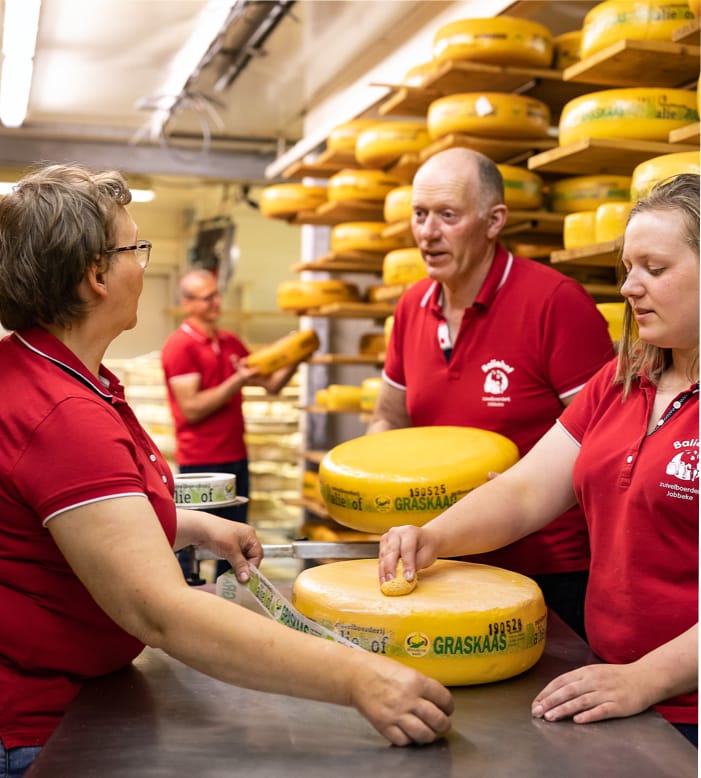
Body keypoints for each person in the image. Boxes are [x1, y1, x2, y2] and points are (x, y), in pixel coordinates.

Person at [0, 163, 453, 776]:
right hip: (38, 730)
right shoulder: (60, 413)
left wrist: (192, 527)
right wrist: (360, 678)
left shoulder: (47, 374)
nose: (142, 260)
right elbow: (163, 612)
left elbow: (78, 523)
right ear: (96, 274)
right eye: (136, 246)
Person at [379, 173, 699, 745]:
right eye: (627, 269)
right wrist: (433, 538)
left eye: (655, 269)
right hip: (609, 687)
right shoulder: (622, 381)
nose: (630, 288)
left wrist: (646, 679)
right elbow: (526, 490)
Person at [368, 147, 615, 639]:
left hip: (549, 571)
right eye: (420, 215)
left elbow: (608, 438)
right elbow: (387, 420)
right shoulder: (413, 305)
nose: (427, 232)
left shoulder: (554, 303)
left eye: (448, 216)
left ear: (494, 220)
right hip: (444, 558)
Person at [161, 268, 300, 581]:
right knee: (191, 546)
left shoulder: (230, 341)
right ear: (188, 303)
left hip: (235, 455)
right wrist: (237, 379)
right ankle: (188, 606)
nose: (216, 302)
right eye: (207, 297)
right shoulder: (180, 347)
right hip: (201, 462)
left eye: (216, 294)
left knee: (234, 542)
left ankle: (228, 604)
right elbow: (192, 408)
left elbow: (273, 385)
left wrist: (297, 354)